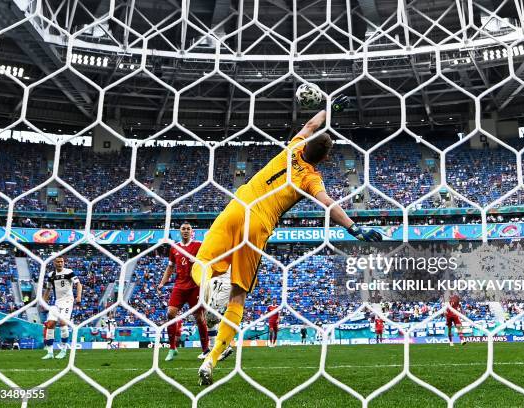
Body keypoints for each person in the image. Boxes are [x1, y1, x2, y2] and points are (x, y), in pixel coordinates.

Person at [192, 98, 383, 385]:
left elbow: (311, 124)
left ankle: (210, 289)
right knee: (238, 296)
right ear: (325, 159)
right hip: (258, 226)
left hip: (236, 208)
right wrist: (353, 228)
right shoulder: (311, 178)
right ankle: (212, 359)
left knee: (202, 264)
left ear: (305, 144)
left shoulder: (293, 147)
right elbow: (328, 204)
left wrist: (330, 110)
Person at [158, 222, 209, 361]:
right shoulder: (174, 248)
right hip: (179, 286)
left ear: (192, 231)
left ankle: (205, 349)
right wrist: (162, 282)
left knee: (199, 318)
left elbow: (207, 260)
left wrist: (197, 261)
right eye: (183, 229)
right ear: (179, 232)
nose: (186, 231)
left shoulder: (198, 245)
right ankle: (172, 348)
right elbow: (170, 267)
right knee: (170, 314)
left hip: (194, 286)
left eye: (188, 229)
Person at [41, 255, 82, 360]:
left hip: (68, 301)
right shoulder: (51, 275)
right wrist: (43, 302)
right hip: (57, 302)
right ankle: (50, 352)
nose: (60, 263)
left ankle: (63, 350)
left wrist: (78, 296)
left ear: (64, 262)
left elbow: (79, 284)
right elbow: (48, 289)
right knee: (50, 324)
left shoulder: (69, 272)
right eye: (58, 262)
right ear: (54, 263)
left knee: (63, 323)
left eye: (61, 261)